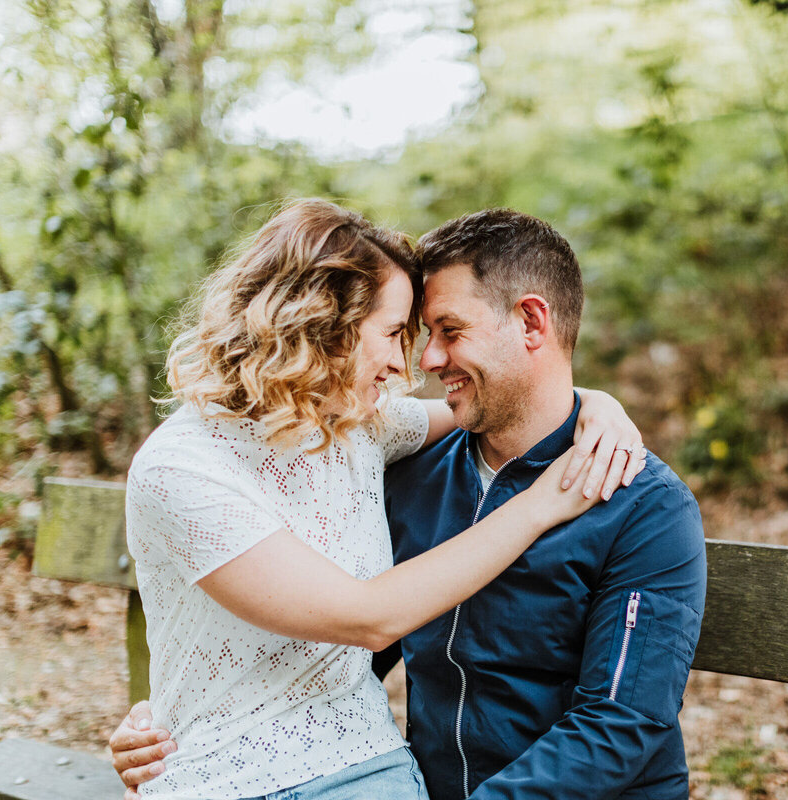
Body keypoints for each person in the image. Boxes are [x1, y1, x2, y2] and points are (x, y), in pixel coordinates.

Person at [113, 208, 708, 799]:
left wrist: (590, 402)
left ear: (532, 323)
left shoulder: (641, 504)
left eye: (449, 331)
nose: (421, 361)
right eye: (410, 334)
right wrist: (185, 720)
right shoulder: (409, 471)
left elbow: (621, 724)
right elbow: (347, 638)